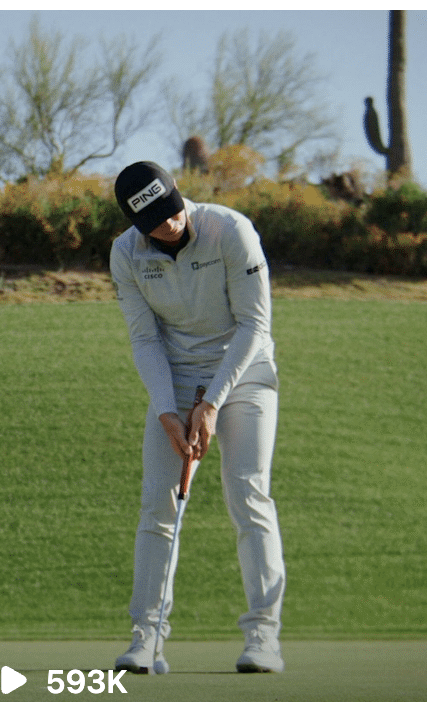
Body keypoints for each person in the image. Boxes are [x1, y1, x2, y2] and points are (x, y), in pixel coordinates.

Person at [108, 160, 286, 674]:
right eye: (156, 220)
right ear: (136, 225)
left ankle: (262, 639)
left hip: (247, 370)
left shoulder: (231, 230)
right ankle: (146, 638)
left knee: (248, 495)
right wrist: (168, 410)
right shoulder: (126, 254)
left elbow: (255, 325)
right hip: (177, 375)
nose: (171, 224)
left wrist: (210, 404)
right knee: (158, 507)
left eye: (172, 209)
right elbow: (144, 339)